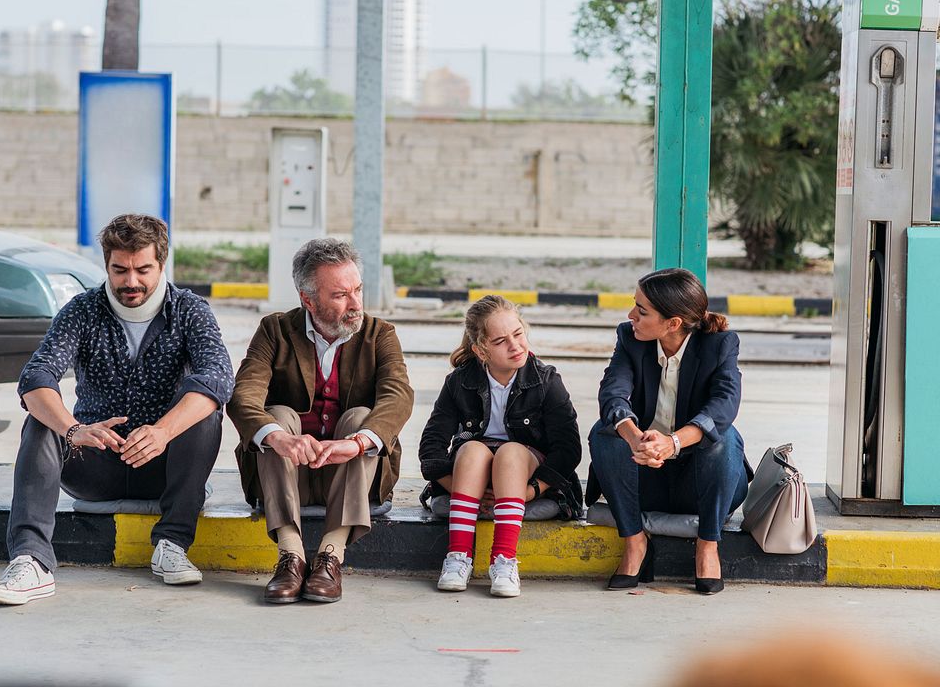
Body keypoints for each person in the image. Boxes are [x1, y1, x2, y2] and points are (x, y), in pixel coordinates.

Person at [0, 214, 234, 606]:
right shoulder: (82, 310)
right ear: (107, 265)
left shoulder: (189, 310)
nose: (131, 281)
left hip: (163, 467)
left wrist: (163, 431)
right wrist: (72, 429)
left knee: (205, 408)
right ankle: (31, 561)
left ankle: (171, 544)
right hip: (93, 466)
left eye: (142, 270)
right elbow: (36, 377)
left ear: (162, 264)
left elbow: (219, 376)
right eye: (120, 270)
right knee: (41, 418)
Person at [227, 238, 413, 604]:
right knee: (276, 417)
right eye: (340, 295)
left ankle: (331, 555)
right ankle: (291, 554)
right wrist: (277, 437)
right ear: (308, 300)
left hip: (352, 477)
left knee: (362, 418)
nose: (356, 303)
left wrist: (357, 442)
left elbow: (398, 396)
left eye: (358, 289)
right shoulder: (275, 331)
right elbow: (243, 395)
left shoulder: (380, 335)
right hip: (286, 472)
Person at [588, 268, 750, 595]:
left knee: (725, 437)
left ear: (672, 323)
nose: (631, 315)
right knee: (604, 432)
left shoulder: (720, 346)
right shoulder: (630, 339)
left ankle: (707, 546)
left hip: (702, 484)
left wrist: (672, 443)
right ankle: (634, 543)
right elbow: (613, 392)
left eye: (642, 311)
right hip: (645, 476)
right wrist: (636, 438)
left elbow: (723, 406)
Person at [419, 295, 582, 597]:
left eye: (518, 334)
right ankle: (458, 557)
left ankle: (504, 559)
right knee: (471, 449)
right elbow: (431, 449)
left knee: (508, 452)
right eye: (501, 341)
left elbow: (568, 449)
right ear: (481, 350)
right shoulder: (459, 382)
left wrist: (530, 491)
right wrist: (461, 488)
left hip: (526, 476)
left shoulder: (545, 381)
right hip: (470, 478)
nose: (515, 345)